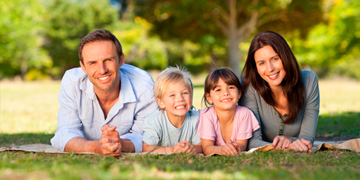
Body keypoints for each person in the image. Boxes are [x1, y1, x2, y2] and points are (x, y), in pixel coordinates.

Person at [51, 29, 159, 156]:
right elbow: (64, 133)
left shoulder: (143, 84)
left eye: (108, 60)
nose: (102, 70)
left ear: (121, 60)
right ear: (83, 67)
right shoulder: (72, 81)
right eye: (92, 63)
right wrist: (96, 147)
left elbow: (148, 136)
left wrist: (121, 144)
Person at [241, 31, 320, 152]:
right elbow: (251, 141)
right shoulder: (249, 85)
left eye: (275, 59)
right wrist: (281, 147)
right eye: (261, 63)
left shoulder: (309, 80)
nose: (270, 68)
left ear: (286, 56)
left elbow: (307, 138)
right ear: (255, 67)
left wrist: (291, 140)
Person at [198, 68, 260, 156]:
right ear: (209, 98)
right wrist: (222, 149)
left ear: (239, 93)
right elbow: (207, 148)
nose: (226, 93)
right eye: (218, 90)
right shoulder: (206, 115)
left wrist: (236, 147)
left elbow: (242, 145)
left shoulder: (244, 114)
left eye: (231, 87)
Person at [142, 67, 202, 154]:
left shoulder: (197, 118)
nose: (180, 99)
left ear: (191, 95)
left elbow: (201, 146)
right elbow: (147, 148)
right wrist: (172, 150)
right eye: (172, 95)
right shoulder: (154, 120)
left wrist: (192, 148)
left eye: (184, 93)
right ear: (161, 102)